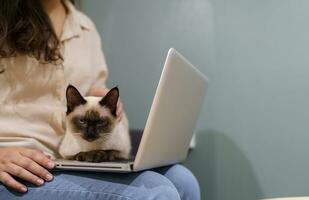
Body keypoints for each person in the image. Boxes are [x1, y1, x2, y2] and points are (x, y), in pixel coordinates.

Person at [0, 0, 201, 199]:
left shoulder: (85, 27)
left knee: (183, 180)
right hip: (14, 167)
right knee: (155, 192)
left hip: (68, 160)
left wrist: (107, 104)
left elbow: (94, 94)